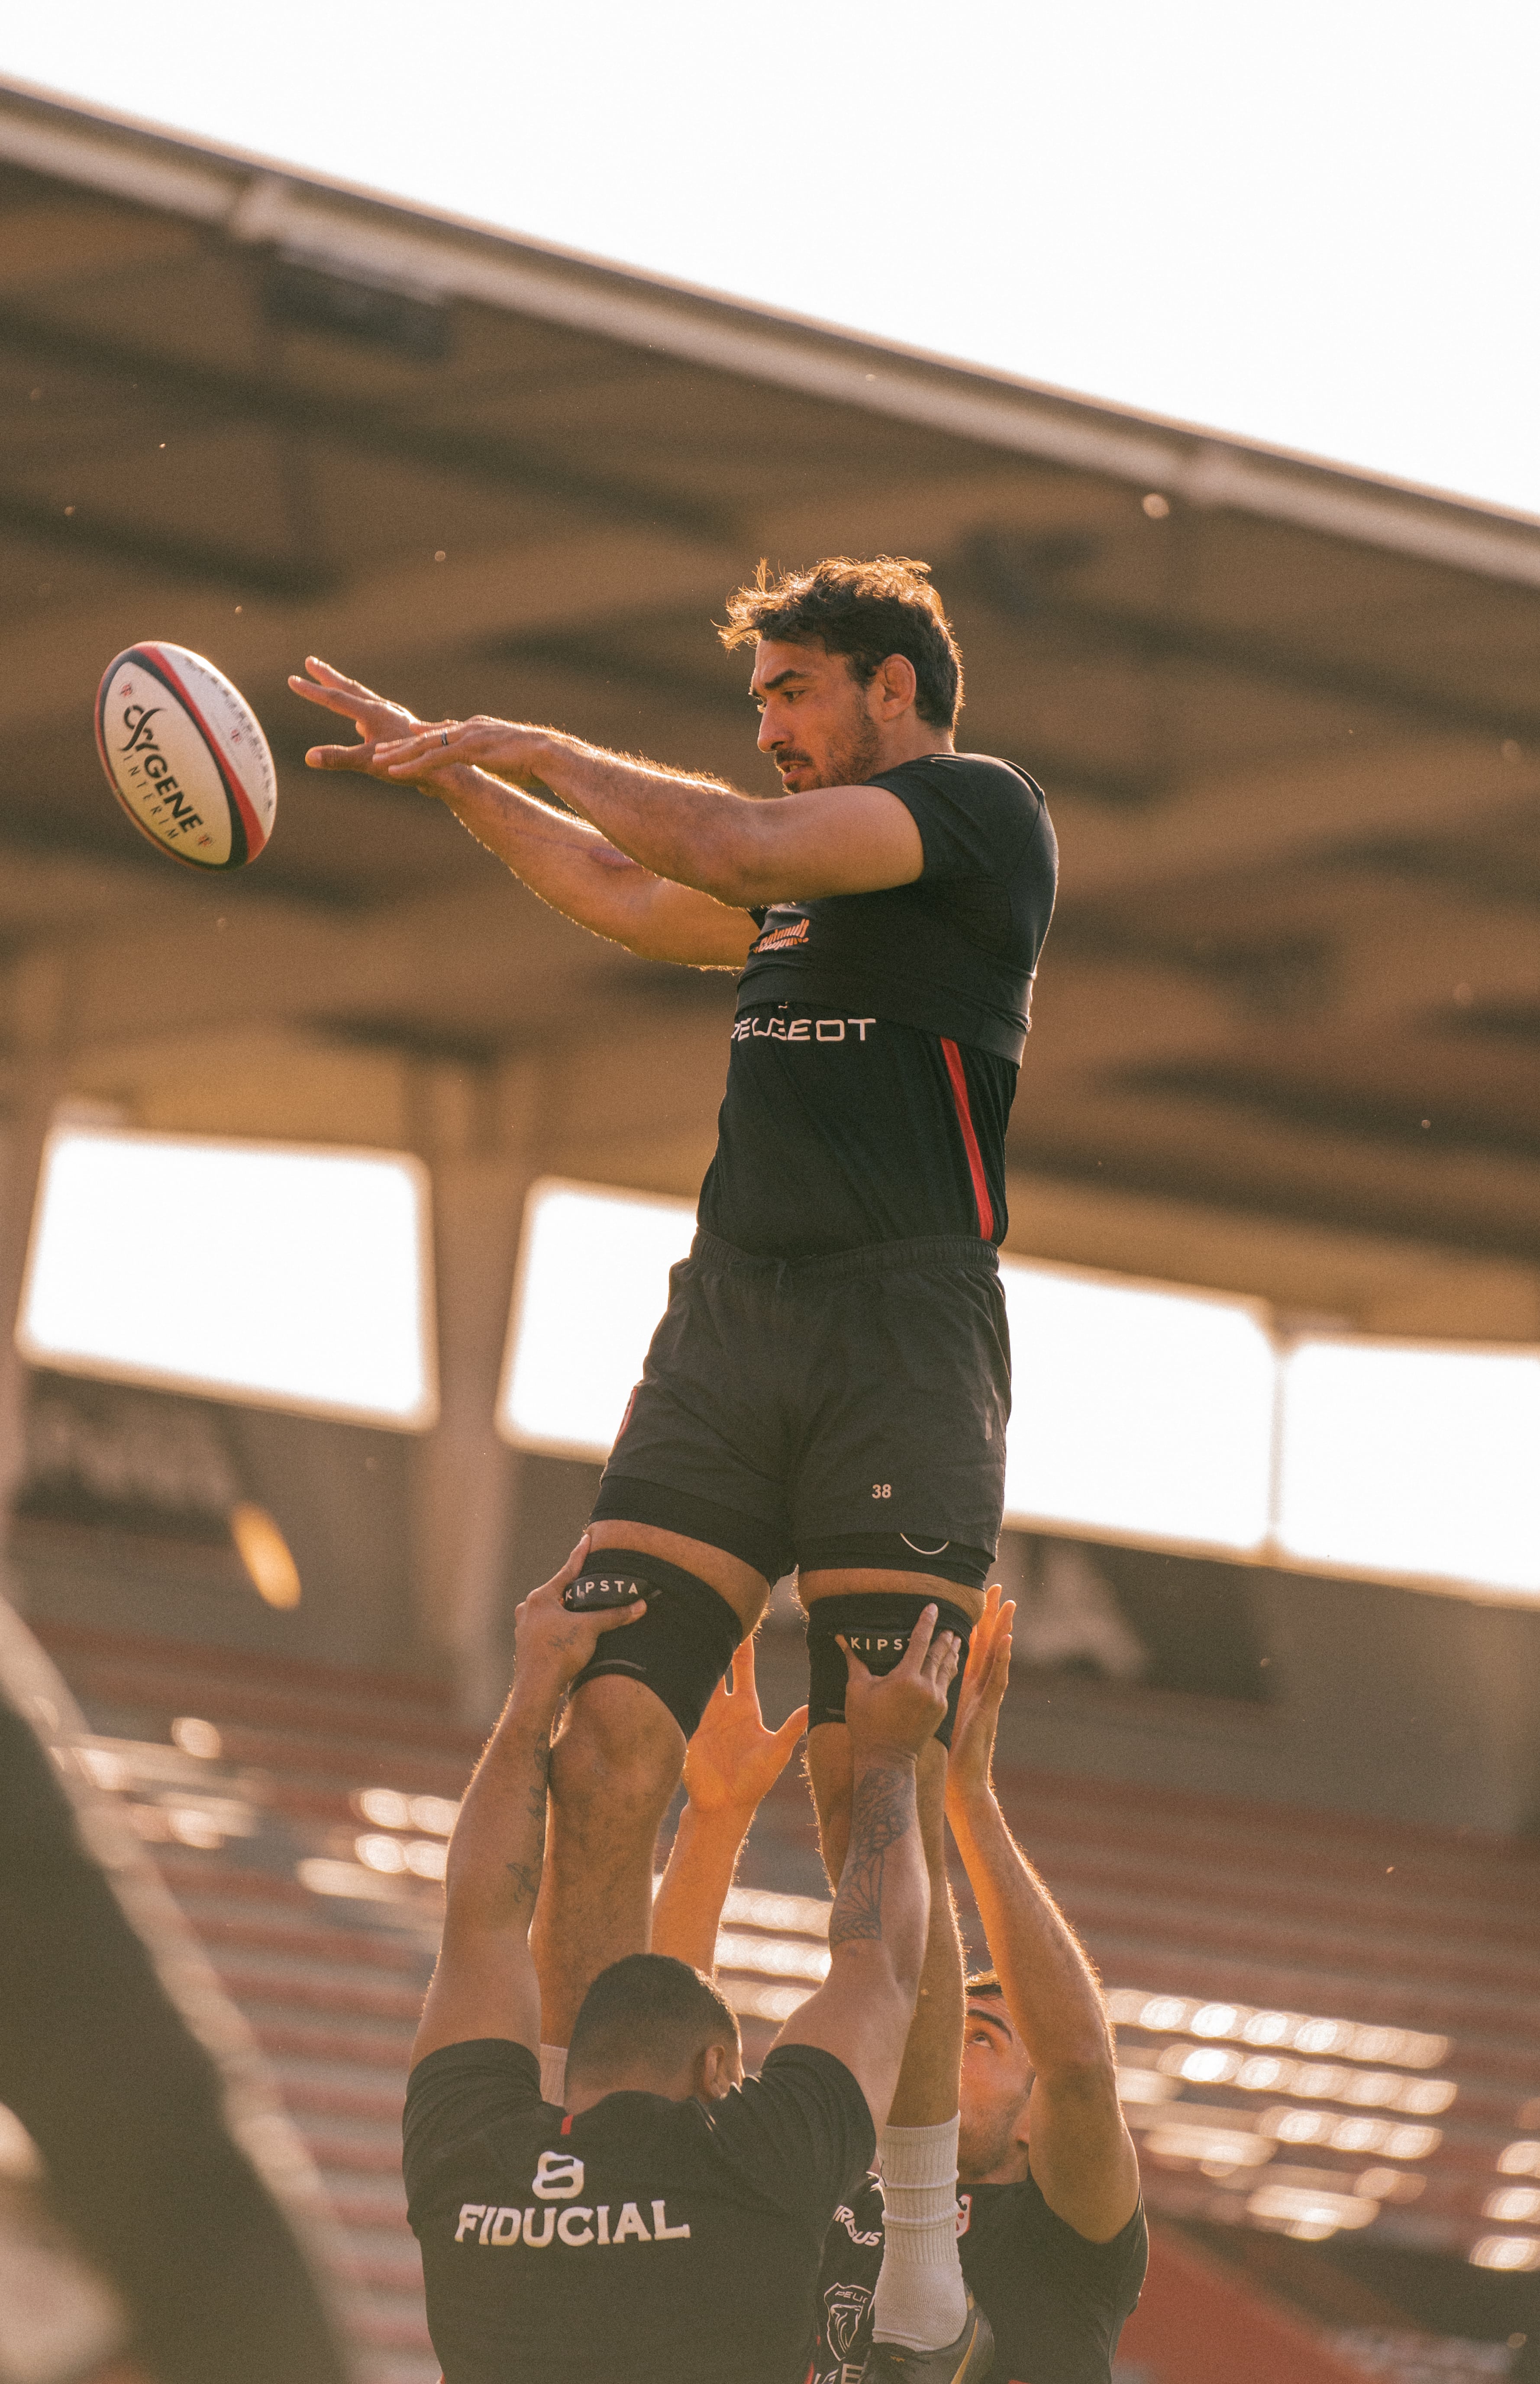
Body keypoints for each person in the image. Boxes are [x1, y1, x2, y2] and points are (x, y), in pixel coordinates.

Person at [292, 552, 1057, 2378]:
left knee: (870, 1773)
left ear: (889, 687)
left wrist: (536, 730)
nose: (774, 734)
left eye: (791, 694)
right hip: (726, 1330)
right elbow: (642, 891)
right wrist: (463, 782)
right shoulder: (794, 880)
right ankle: (591, 2147)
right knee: (607, 1741)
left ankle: (920, 2233)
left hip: (900, 1333)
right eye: (761, 706)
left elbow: (723, 847)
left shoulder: (965, 816)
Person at [401, 1534, 962, 2384]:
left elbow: (481, 1919)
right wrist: (884, 1757)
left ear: (579, 2059)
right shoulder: (754, 2171)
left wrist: (531, 1695)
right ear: (714, 2065)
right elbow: (881, 1972)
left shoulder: (474, 2156)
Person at [653, 1589, 1146, 2384]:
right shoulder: (821, 2174)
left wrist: (968, 1797)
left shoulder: (1065, 2240)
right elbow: (668, 2070)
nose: (939, 2035)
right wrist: (713, 1820)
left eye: (980, 2035)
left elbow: (1080, 2066)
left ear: (1034, 2125)